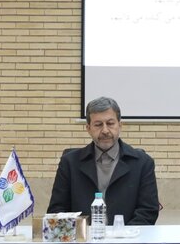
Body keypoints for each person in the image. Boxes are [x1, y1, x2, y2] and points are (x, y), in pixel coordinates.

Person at [47, 96, 160, 224]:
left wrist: (123, 234)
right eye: (98, 125)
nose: (105, 130)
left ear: (120, 125)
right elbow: (57, 211)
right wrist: (81, 233)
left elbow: (148, 211)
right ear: (88, 128)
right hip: (82, 235)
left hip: (127, 235)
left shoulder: (143, 163)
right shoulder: (69, 163)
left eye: (110, 123)